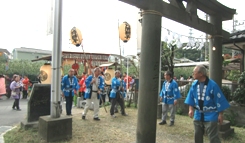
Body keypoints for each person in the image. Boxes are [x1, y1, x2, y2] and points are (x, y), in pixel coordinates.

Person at [184, 65, 230, 143]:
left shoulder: (213, 85)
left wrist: (220, 114)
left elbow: (219, 100)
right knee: (197, 135)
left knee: (213, 137)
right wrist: (190, 109)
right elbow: (190, 97)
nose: (193, 74)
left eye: (194, 72)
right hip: (198, 113)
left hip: (211, 114)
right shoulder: (194, 85)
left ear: (201, 73)